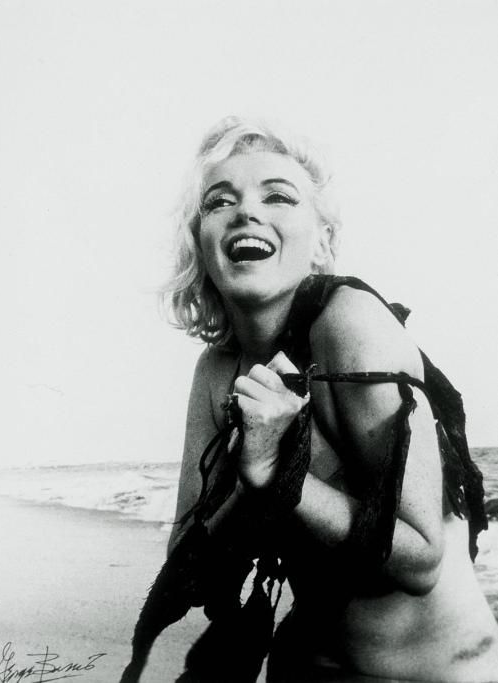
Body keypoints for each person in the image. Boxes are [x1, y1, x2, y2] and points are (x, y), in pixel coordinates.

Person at [122, 117, 498, 683]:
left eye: (278, 196)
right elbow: (185, 560)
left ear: (322, 242)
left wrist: (280, 477)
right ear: (199, 241)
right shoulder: (218, 369)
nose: (246, 212)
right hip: (306, 663)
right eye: (220, 201)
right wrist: (251, 480)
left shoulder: (350, 324)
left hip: (435, 674)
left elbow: (421, 560)